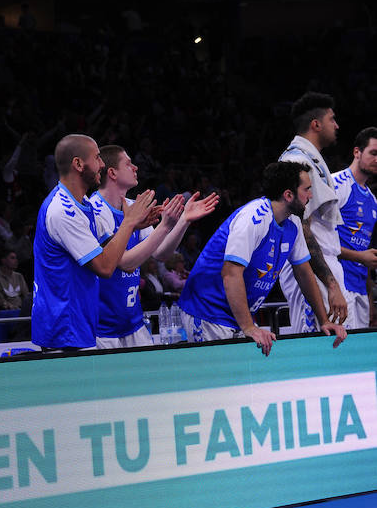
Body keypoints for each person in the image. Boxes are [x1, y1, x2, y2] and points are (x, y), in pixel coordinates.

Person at [177, 161, 346, 356]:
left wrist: (324, 320)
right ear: (288, 195)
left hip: (236, 316)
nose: (311, 195)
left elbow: (304, 272)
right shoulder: (253, 218)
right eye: (307, 189)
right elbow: (231, 274)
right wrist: (249, 327)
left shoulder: (293, 224)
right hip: (207, 311)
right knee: (214, 383)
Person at [32, 134, 156, 350]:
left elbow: (113, 251)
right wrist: (128, 223)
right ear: (78, 164)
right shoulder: (63, 211)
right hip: (65, 331)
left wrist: (134, 226)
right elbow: (106, 267)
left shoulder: (83, 204)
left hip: (79, 326)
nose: (101, 164)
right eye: (97, 158)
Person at [89, 145, 218, 348]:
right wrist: (164, 225)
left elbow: (161, 253)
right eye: (128, 163)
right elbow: (125, 263)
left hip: (133, 324)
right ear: (112, 173)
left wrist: (183, 220)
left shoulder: (133, 207)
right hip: (101, 329)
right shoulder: (95, 210)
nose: (135, 167)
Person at [277, 92, 348, 333]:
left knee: (337, 350)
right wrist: (330, 283)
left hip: (324, 264)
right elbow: (301, 230)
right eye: (332, 119)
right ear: (316, 124)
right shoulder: (295, 160)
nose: (336, 125)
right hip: (309, 268)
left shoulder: (312, 159)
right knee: (316, 347)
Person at [332, 127, 377, 328]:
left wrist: (369, 296)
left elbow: (364, 252)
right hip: (338, 286)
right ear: (357, 152)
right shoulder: (336, 185)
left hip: (360, 290)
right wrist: (361, 257)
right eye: (373, 153)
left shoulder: (373, 201)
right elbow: (317, 240)